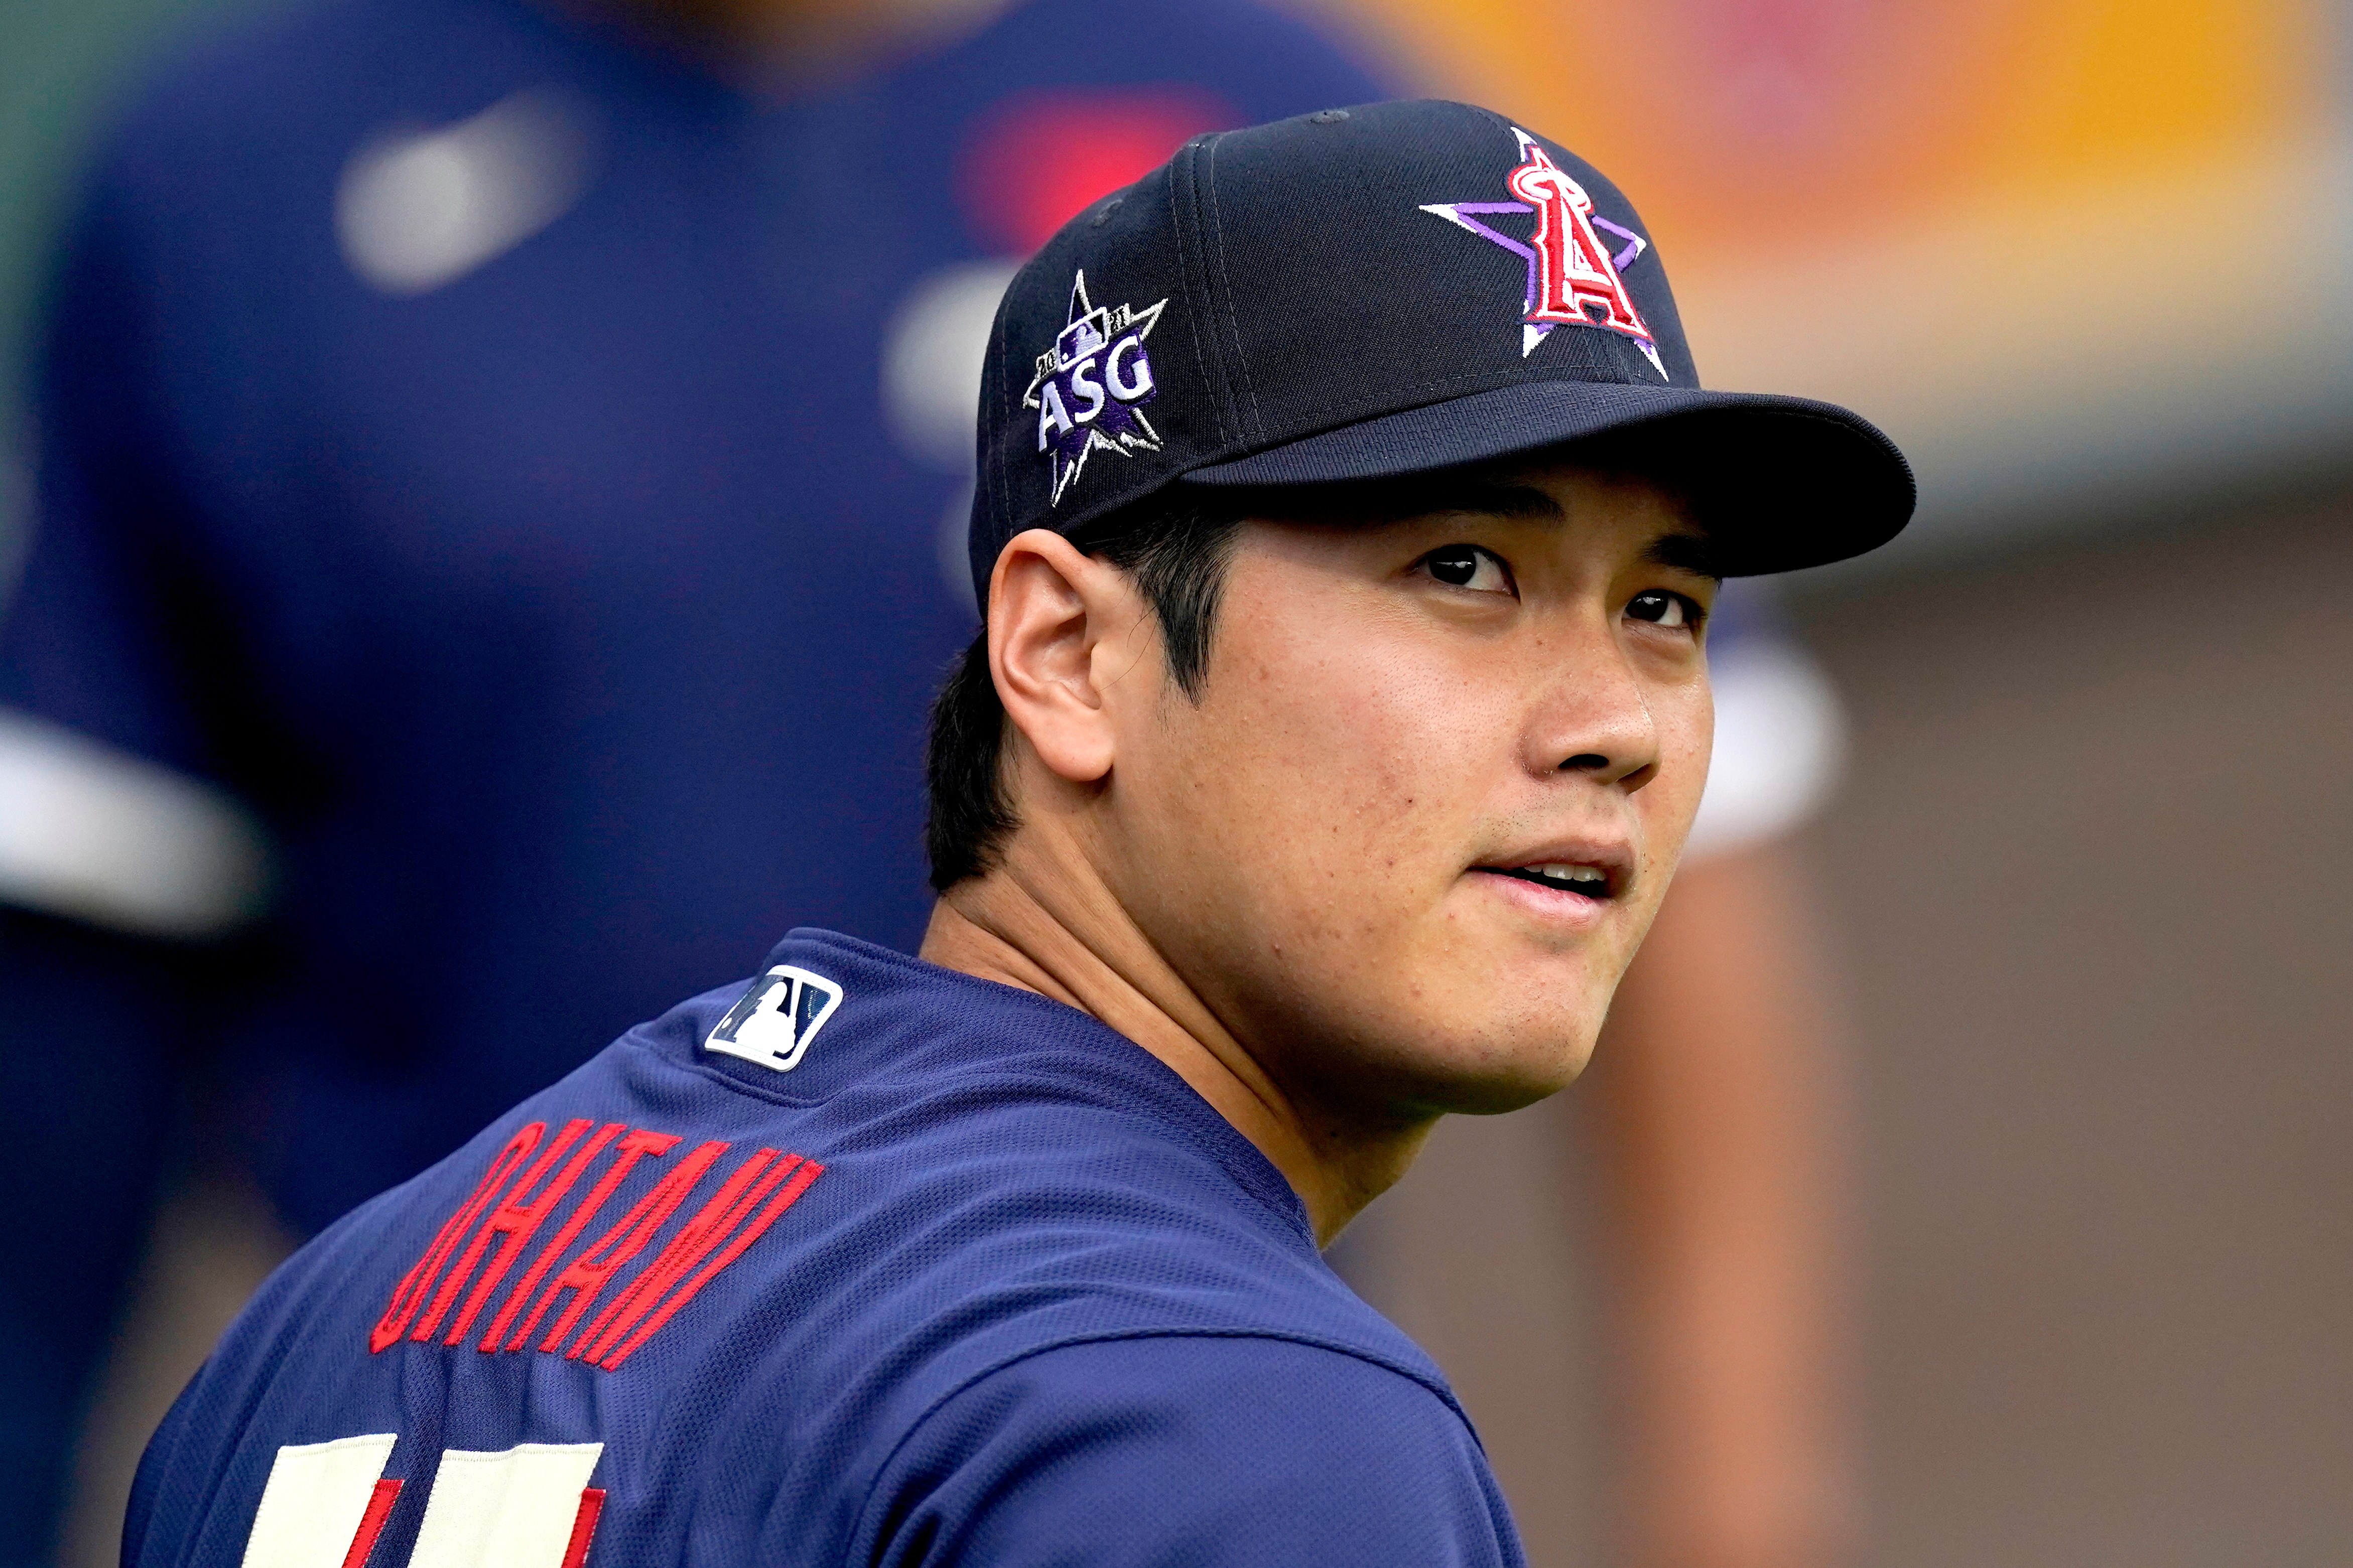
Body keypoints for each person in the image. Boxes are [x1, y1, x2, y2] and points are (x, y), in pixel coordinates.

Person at [123, 100, 1912, 1565]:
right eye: (1464, 571)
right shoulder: (1220, 1424)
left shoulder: (342, 1315)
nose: (1613, 723)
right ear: (1067, 654)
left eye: (1666, 608)